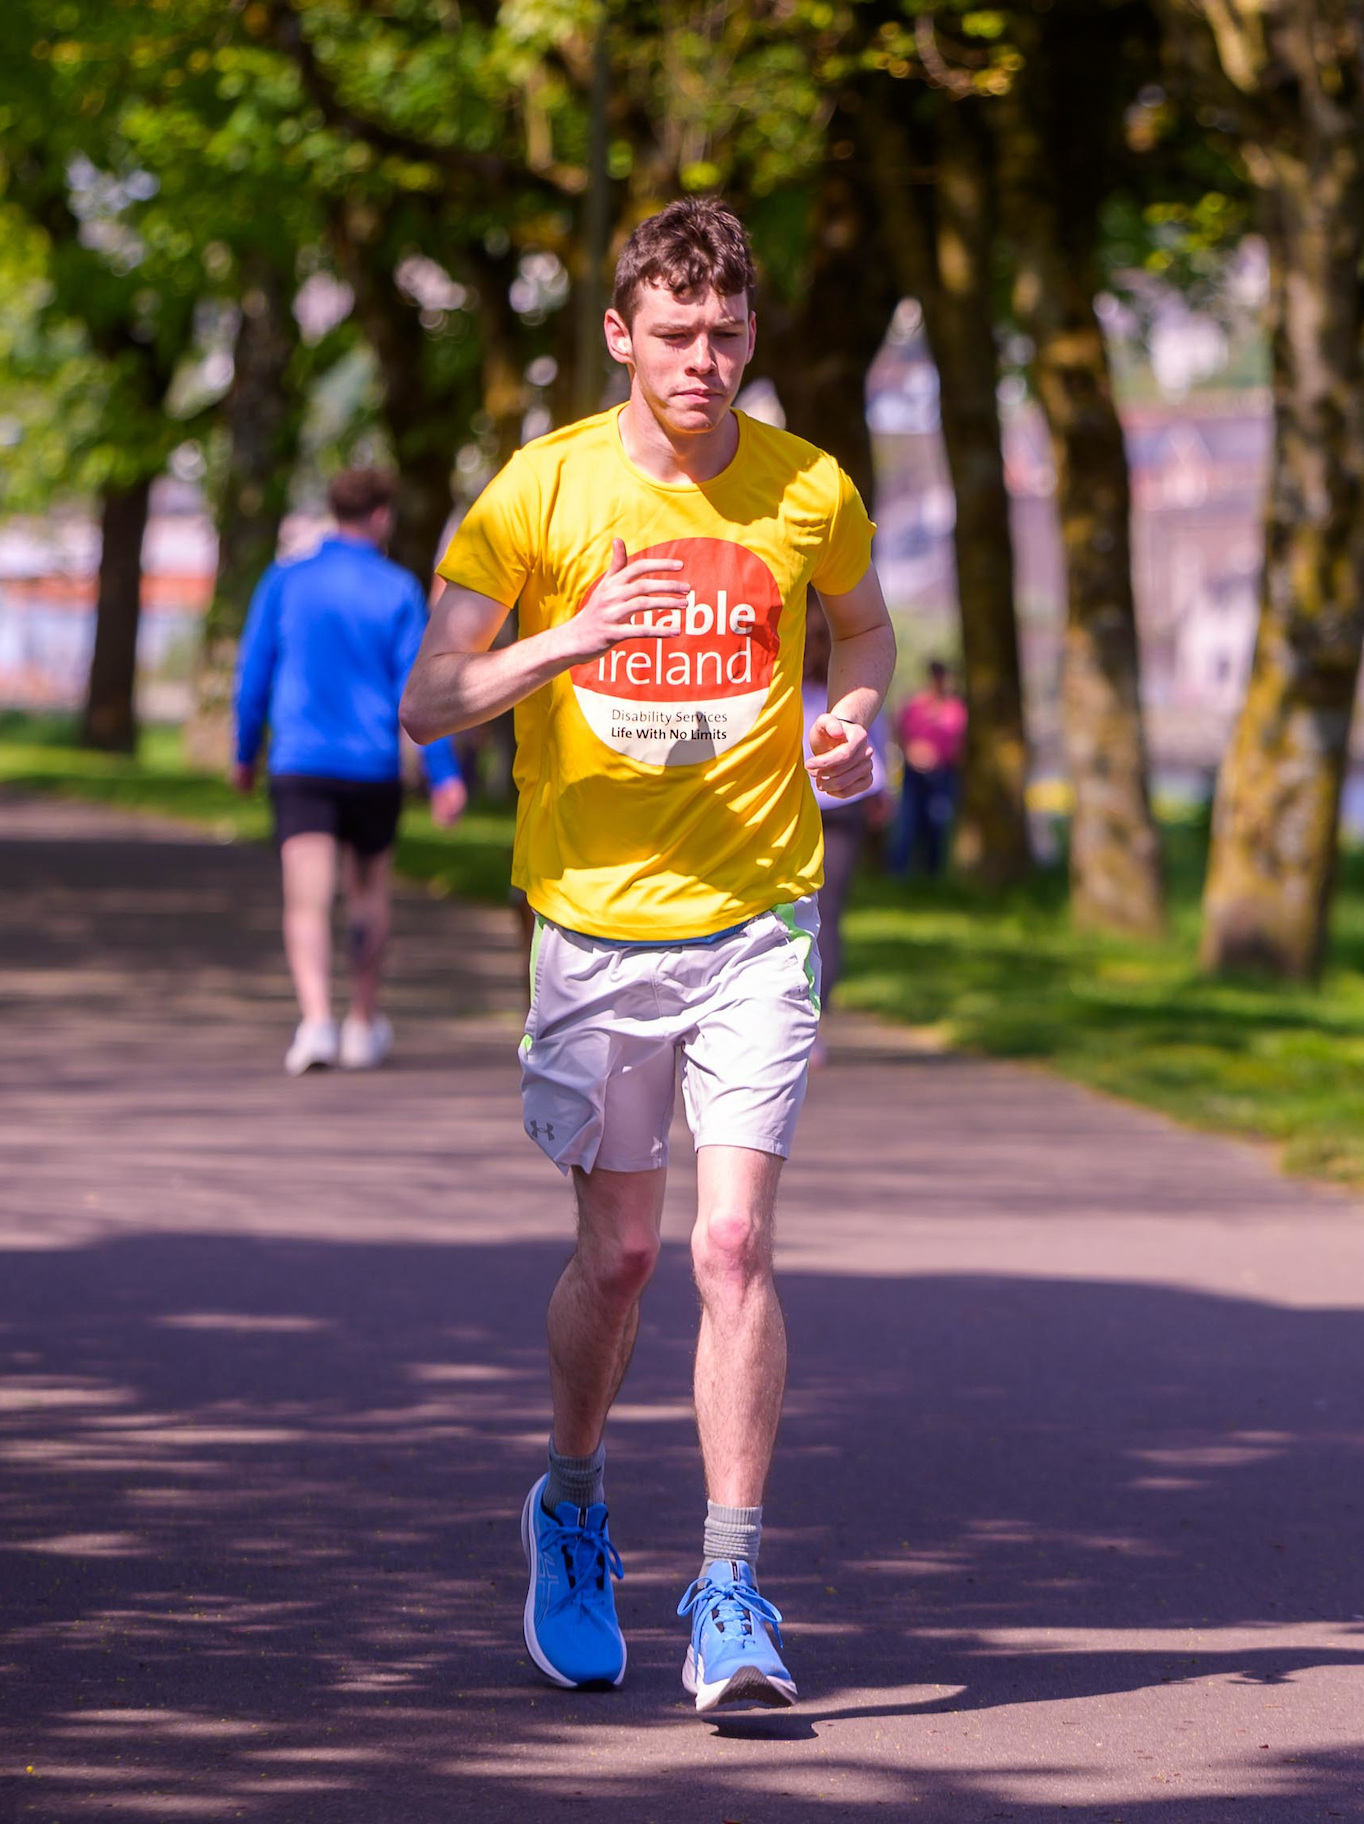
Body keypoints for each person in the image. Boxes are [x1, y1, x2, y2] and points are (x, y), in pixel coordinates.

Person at [400, 196, 894, 1712]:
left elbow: (862, 634)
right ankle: (571, 1501)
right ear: (620, 335)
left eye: (728, 333)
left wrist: (851, 725)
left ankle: (733, 1586)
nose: (703, 360)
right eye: (675, 334)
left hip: (761, 917)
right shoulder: (535, 498)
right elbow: (429, 700)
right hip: (595, 929)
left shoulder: (808, 487)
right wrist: (568, 639)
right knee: (616, 1259)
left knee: (730, 1246)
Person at [233, 468, 467, 1076]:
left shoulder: (285, 581)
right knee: (369, 894)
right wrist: (443, 773)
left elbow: (254, 670)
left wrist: (242, 751)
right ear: (382, 516)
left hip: (301, 763)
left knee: (306, 901)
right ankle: (362, 1023)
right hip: (371, 767)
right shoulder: (396, 590)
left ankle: (315, 1022)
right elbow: (419, 686)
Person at [801, 611, 889, 1061]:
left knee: (778, 911)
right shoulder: (852, 662)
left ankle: (791, 1021)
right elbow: (877, 728)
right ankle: (814, 1025)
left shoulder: (777, 664)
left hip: (789, 796)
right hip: (845, 797)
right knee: (827, 915)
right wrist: (884, 788)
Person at [887, 658, 964, 875]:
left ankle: (932, 875)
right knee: (907, 824)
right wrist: (912, 753)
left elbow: (959, 742)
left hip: (943, 774)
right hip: (914, 774)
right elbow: (900, 733)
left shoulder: (955, 708)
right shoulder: (915, 706)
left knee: (937, 824)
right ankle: (898, 874)